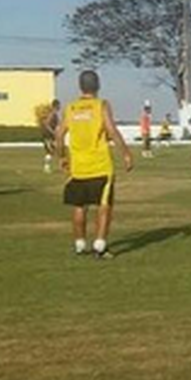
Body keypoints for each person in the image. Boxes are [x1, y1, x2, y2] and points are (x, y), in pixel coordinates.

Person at [53, 70, 132, 259]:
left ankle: (79, 244)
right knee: (104, 205)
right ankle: (100, 246)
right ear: (98, 86)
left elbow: (59, 134)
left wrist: (62, 157)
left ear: (80, 86)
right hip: (100, 166)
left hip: (78, 168)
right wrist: (126, 153)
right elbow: (111, 131)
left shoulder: (71, 108)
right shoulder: (101, 105)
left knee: (79, 206)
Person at [41, 99, 61, 174]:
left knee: (54, 151)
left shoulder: (54, 114)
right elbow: (46, 124)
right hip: (48, 136)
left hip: (51, 136)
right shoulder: (52, 114)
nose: (60, 107)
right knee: (50, 151)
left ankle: (49, 167)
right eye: (59, 105)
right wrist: (52, 132)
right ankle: (46, 167)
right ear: (56, 106)